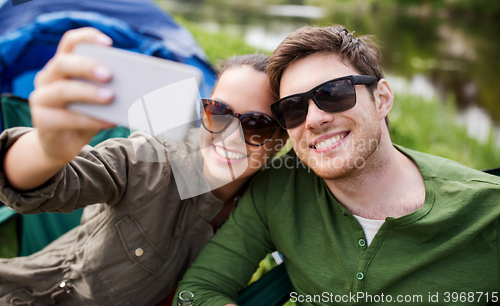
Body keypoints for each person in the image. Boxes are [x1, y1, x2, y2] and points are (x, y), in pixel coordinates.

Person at [176, 25, 500, 305]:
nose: (314, 119)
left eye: (333, 93)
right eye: (294, 108)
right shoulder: (280, 189)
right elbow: (199, 290)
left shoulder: (489, 215)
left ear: (382, 99)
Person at [0, 27, 286, 306]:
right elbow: (48, 183)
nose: (229, 135)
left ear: (282, 139)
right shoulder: (151, 161)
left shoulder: (271, 200)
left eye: (255, 125)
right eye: (218, 112)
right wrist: (47, 150)